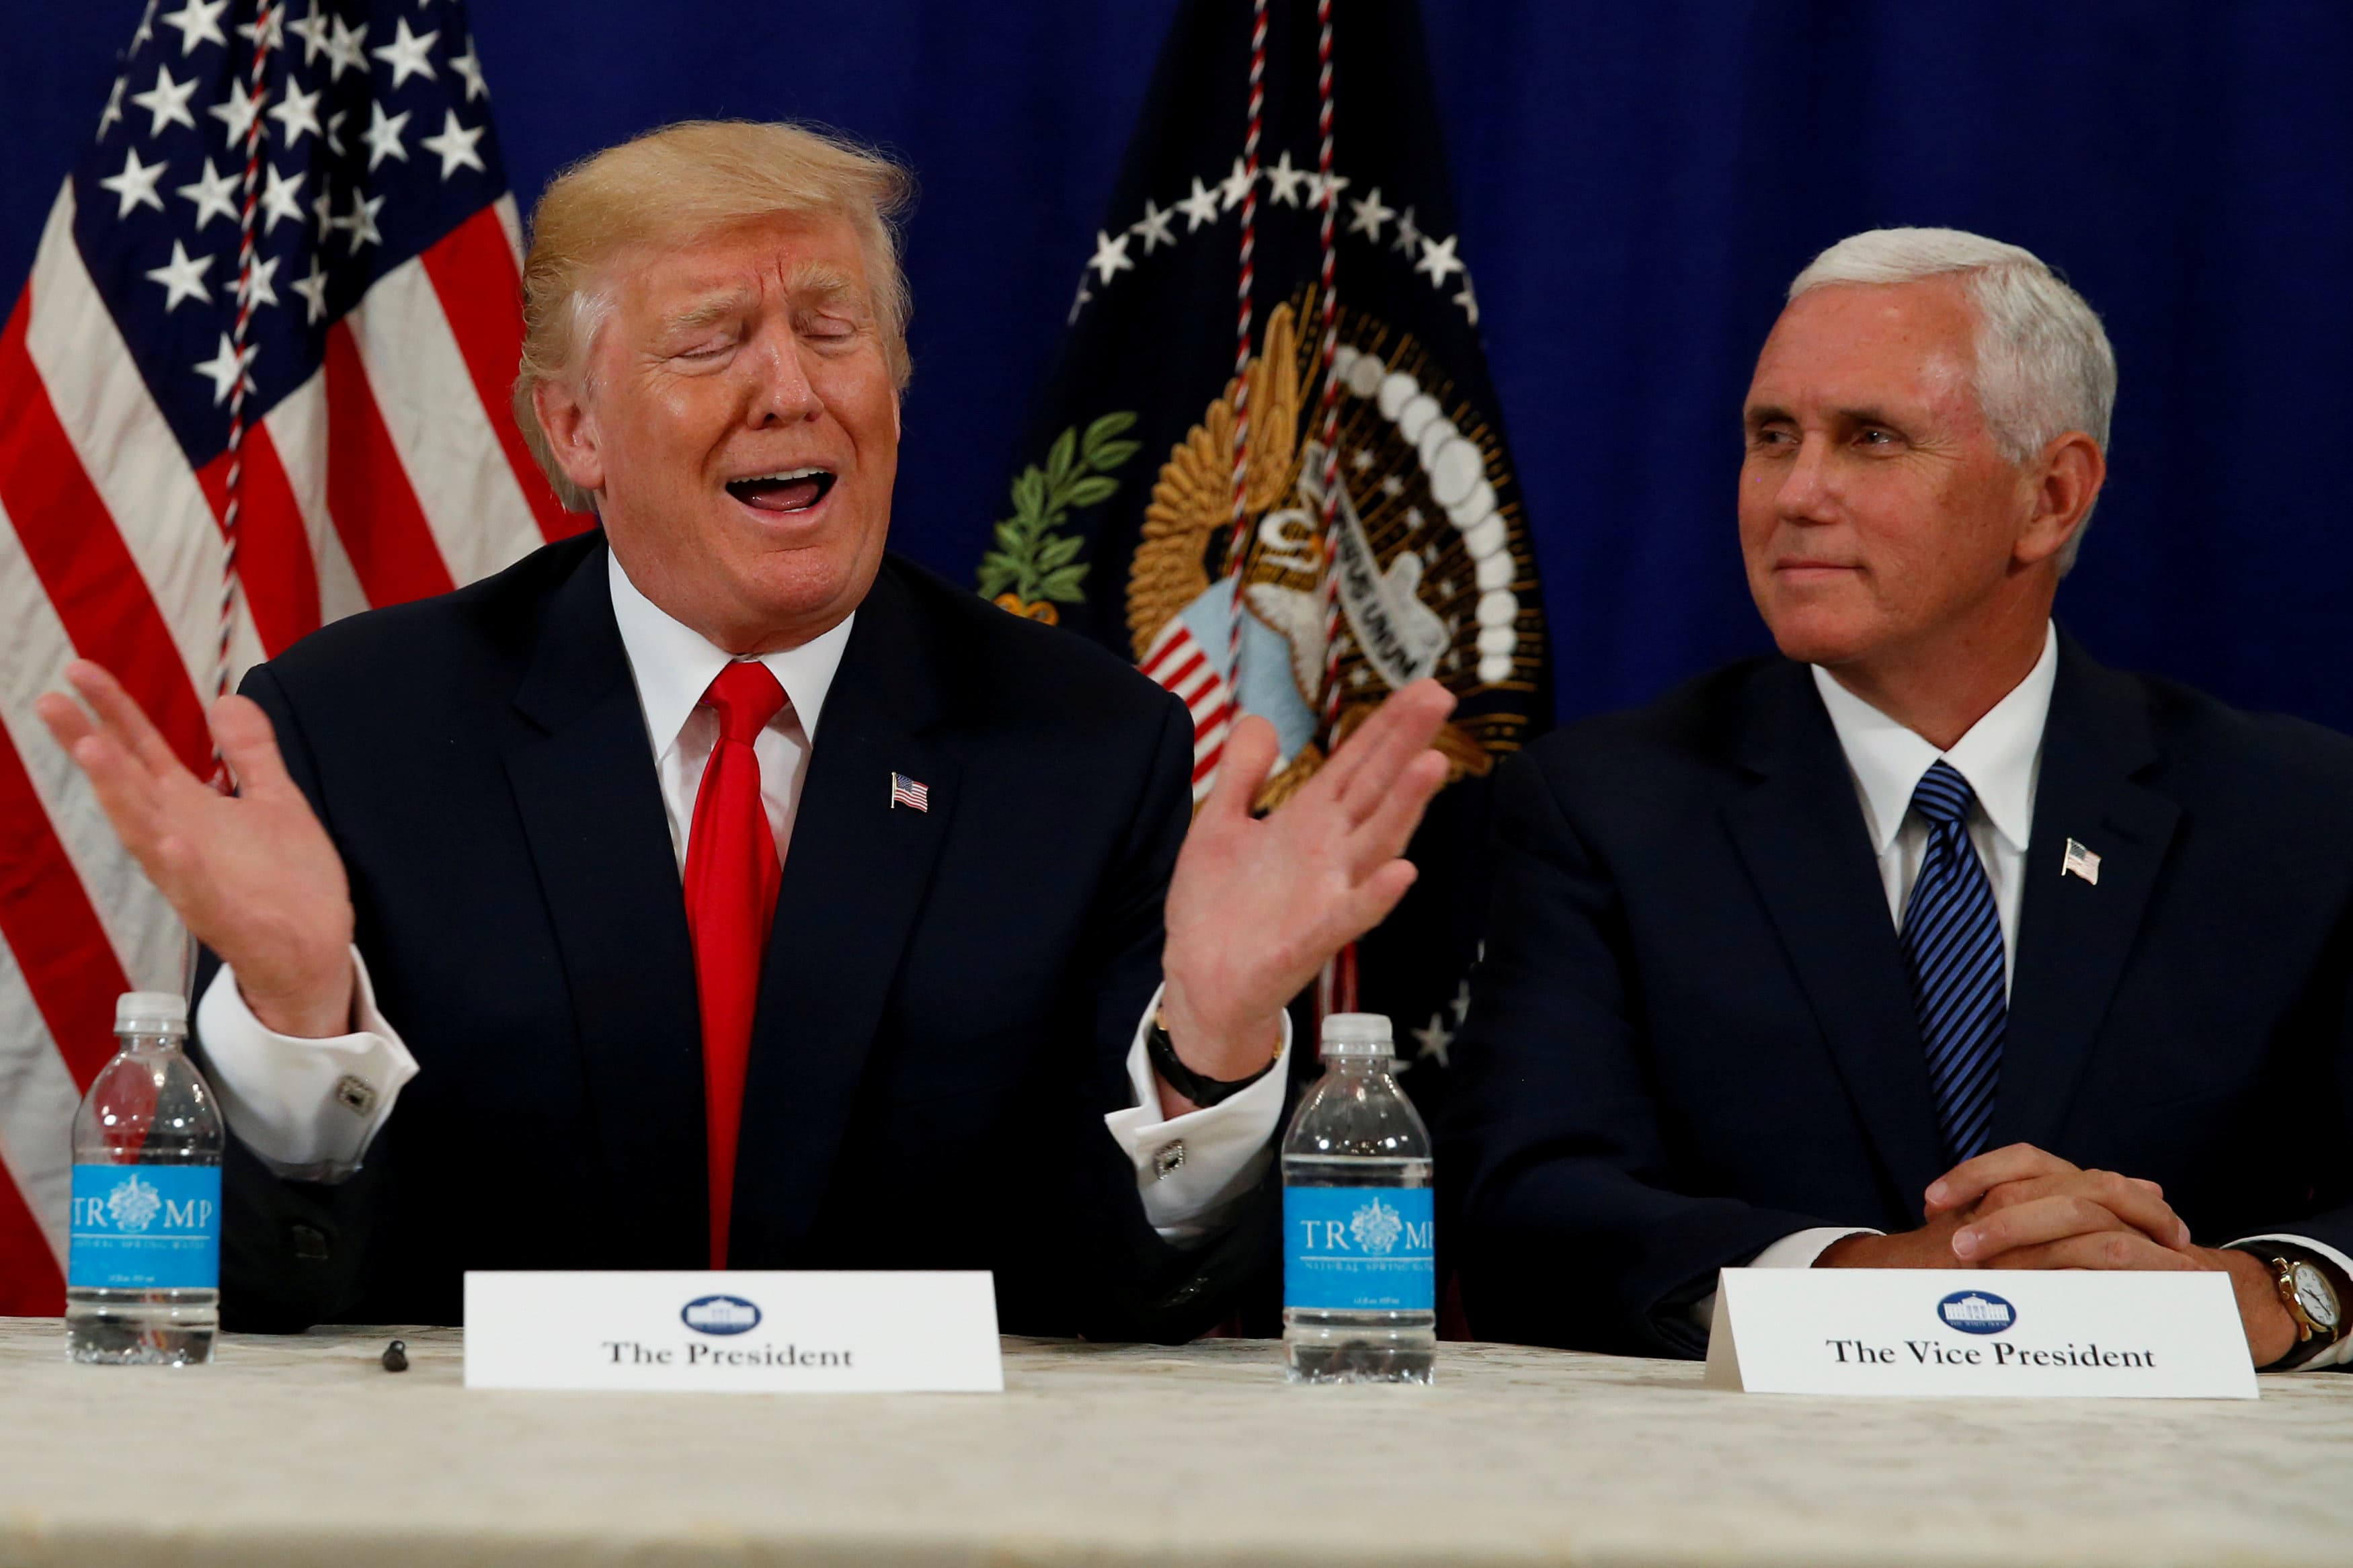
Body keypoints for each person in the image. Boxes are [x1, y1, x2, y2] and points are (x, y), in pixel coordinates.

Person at [37, 121, 1455, 1335]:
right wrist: (296, 1024)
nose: (793, 388)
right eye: (712, 342)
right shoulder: (360, 733)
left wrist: (1209, 1048)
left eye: (834, 331)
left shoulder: (1083, 749)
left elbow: (1129, 1304)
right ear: (576, 431)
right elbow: (261, 1300)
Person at [1442, 228, 2353, 1371]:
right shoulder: (1605, 809)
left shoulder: (2298, 815)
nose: (1796, 493)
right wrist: (1869, 1277)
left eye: (1871, 439)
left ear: (2051, 497)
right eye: (1772, 437)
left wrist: (2273, 1291)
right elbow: (1527, 1208)